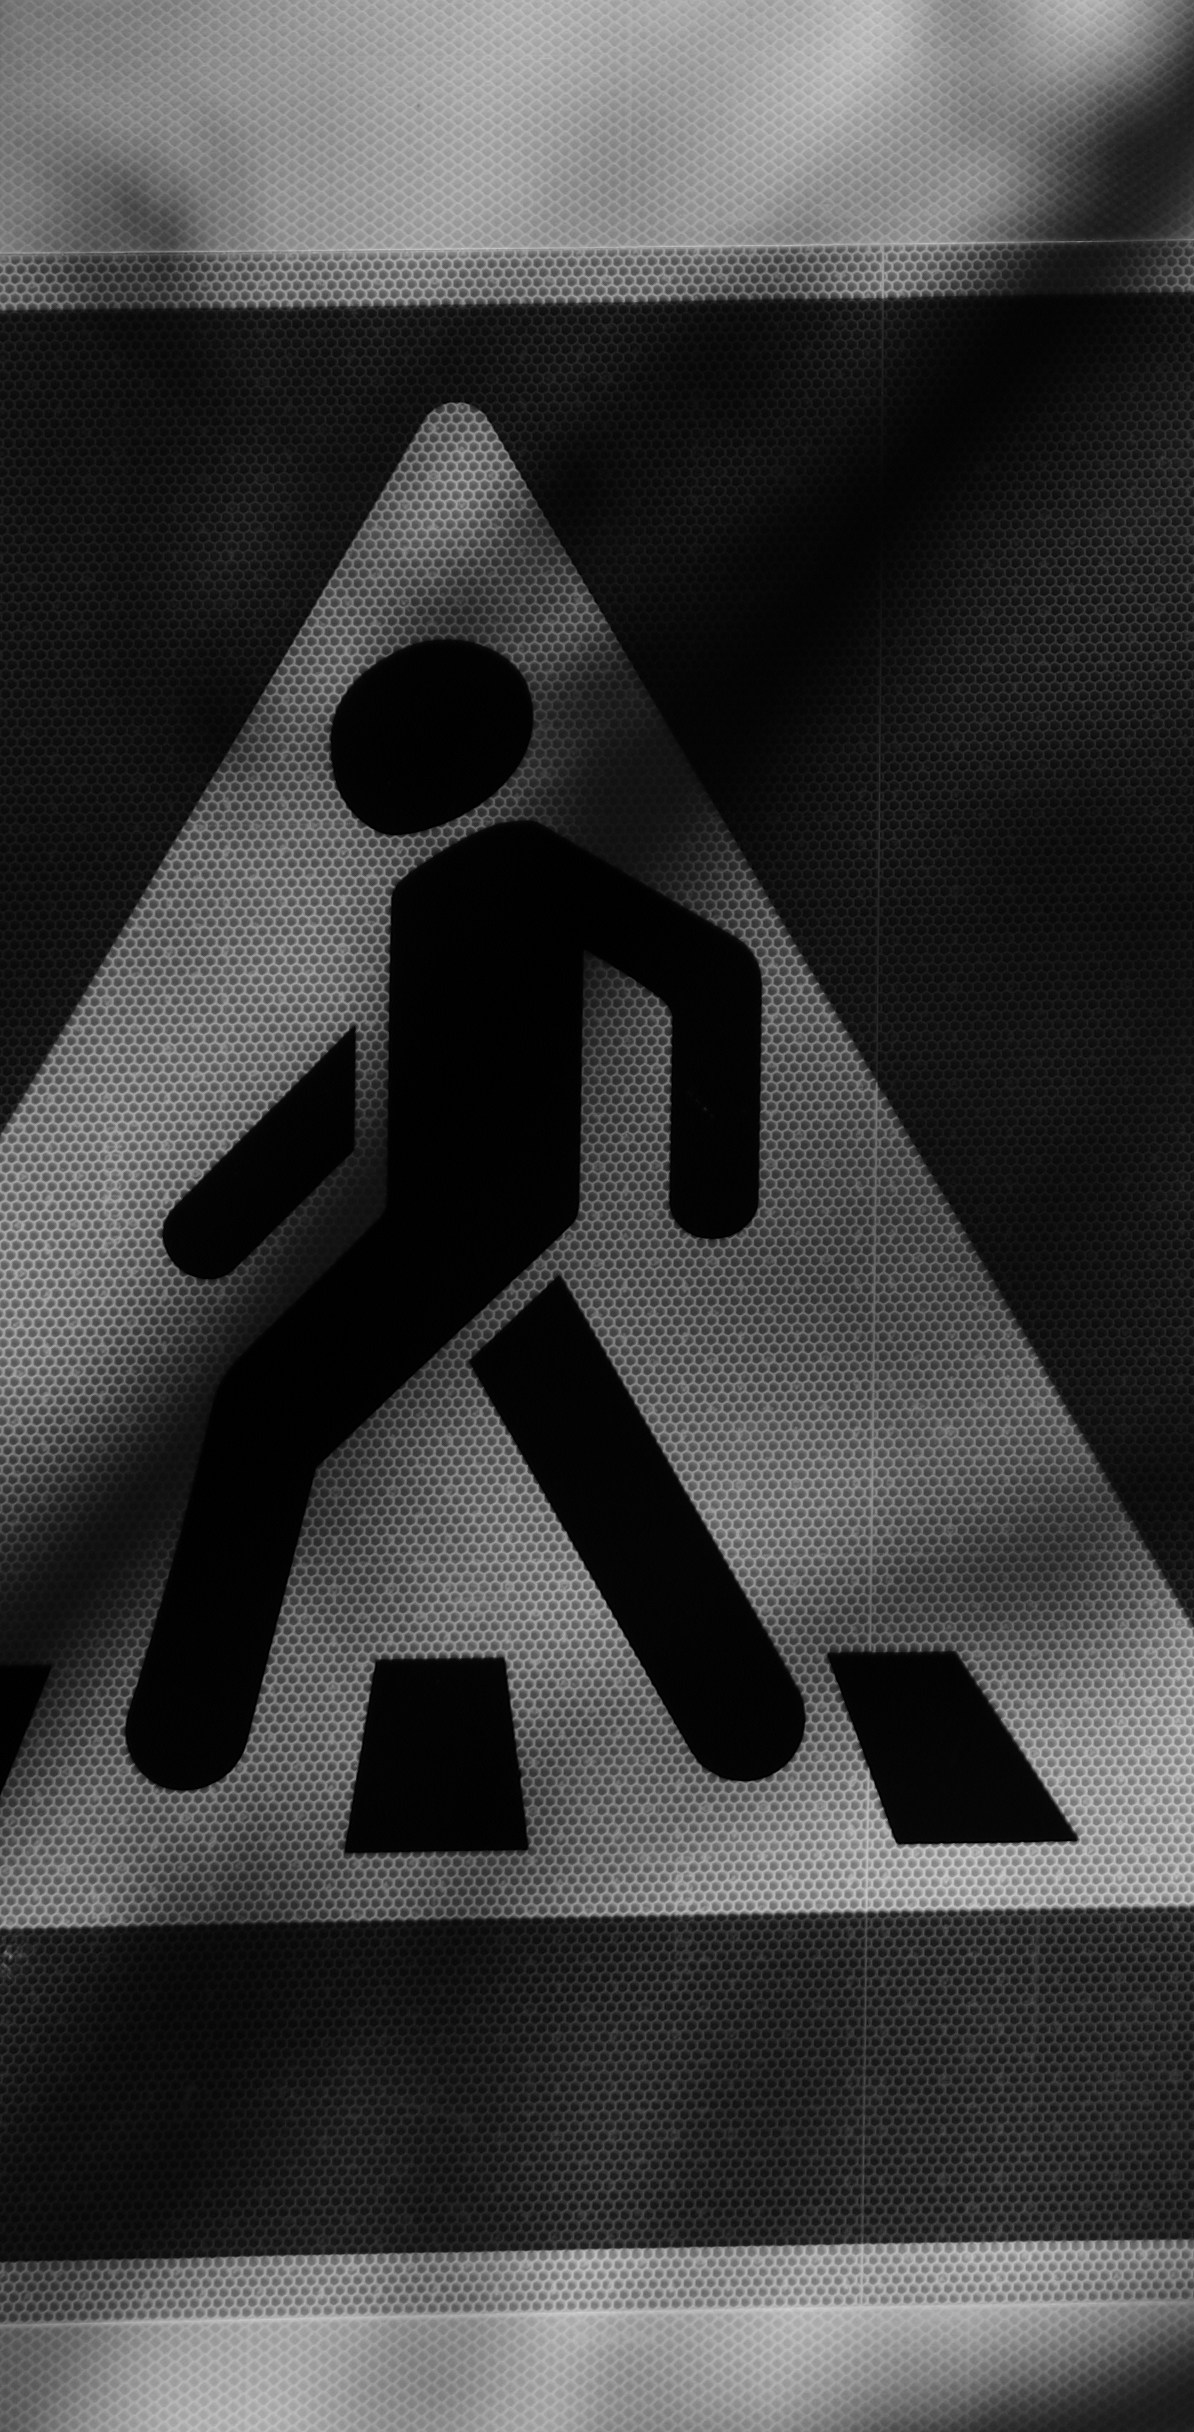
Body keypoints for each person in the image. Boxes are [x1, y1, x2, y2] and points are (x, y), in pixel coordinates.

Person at [126, 632, 804, 1793]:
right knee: (583, 1439)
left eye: (380, 750)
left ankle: (186, 1731)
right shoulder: (437, 892)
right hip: (463, 1216)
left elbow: (709, 974)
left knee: (267, 1412)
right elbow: (368, 1089)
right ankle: (744, 1715)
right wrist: (222, 1213)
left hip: (494, 1216)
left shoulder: (531, 869)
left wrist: (712, 1186)